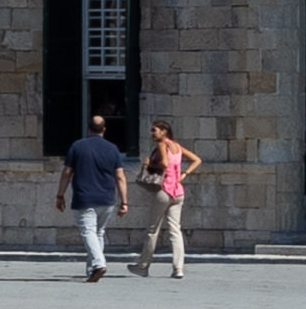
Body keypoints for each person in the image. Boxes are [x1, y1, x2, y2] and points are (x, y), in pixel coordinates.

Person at [62, 111, 130, 278]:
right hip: (107, 198)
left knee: (88, 231)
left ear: (88, 128)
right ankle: (91, 269)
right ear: (104, 129)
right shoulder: (112, 149)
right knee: (98, 232)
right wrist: (124, 202)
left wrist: (60, 194)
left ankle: (99, 264)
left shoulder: (77, 146)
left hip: (84, 197)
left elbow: (67, 172)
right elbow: (120, 176)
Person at [140, 118, 203, 277]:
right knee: (175, 230)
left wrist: (149, 164)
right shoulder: (177, 146)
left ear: (164, 132)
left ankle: (143, 266)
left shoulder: (162, 145)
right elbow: (197, 160)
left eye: (154, 130)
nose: (152, 133)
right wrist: (184, 174)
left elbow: (164, 164)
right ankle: (178, 268)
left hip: (164, 189)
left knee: (153, 230)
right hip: (178, 191)